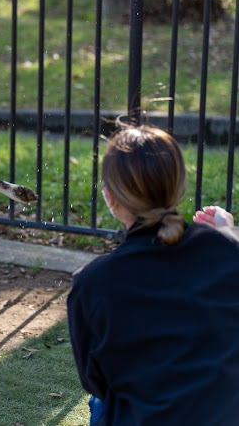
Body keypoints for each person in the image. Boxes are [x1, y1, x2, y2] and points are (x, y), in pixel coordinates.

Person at [67, 124, 239, 425]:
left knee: (100, 401)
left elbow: (95, 381)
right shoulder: (226, 251)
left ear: (110, 197)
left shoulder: (93, 282)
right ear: (179, 187)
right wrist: (229, 233)